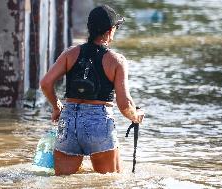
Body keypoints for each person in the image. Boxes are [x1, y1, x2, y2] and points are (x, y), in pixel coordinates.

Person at [40, 5, 145, 176]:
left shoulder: (69, 54)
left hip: (68, 122)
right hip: (99, 123)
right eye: (116, 28)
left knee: (64, 183)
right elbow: (124, 104)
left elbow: (45, 83)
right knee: (111, 181)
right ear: (110, 30)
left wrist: (56, 106)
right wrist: (136, 117)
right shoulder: (117, 61)